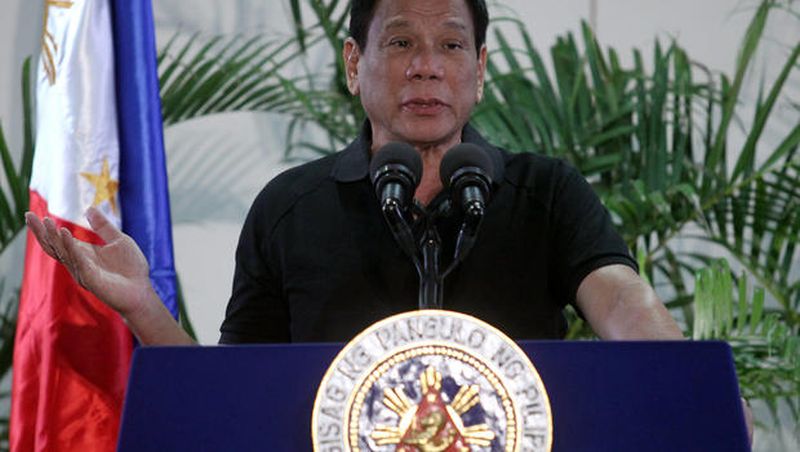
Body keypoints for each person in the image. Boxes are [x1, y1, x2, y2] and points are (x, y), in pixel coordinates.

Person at [26, 0, 754, 439]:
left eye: (451, 45)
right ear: (354, 63)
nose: (426, 66)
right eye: (401, 41)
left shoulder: (545, 191)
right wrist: (143, 306)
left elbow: (622, 301)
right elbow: (231, 401)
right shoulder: (291, 207)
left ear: (480, 68)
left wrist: (692, 390)